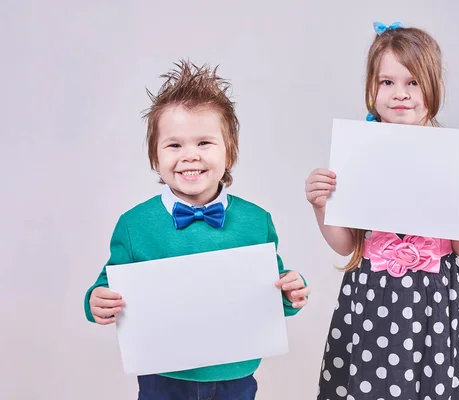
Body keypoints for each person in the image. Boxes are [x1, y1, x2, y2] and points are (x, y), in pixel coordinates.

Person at [306, 21, 459, 399]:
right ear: (371, 89)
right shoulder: (358, 154)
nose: (400, 94)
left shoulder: (453, 157)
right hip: (373, 293)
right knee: (372, 383)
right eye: (387, 82)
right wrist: (321, 206)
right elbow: (343, 244)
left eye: (413, 82)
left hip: (435, 294)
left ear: (434, 88)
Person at [84, 60, 310, 400]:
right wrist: (95, 301)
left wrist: (292, 293)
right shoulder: (133, 225)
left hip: (236, 373)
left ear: (229, 151)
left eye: (204, 143)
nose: (190, 156)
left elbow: (273, 291)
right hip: (164, 377)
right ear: (155, 157)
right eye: (174, 145)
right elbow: (108, 285)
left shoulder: (255, 220)